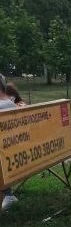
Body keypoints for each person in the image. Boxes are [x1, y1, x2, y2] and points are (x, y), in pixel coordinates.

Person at [0, 74, 19, 210]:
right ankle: (8, 193)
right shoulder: (10, 103)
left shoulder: (2, 106)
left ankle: (8, 194)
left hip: (5, 155)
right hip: (13, 150)